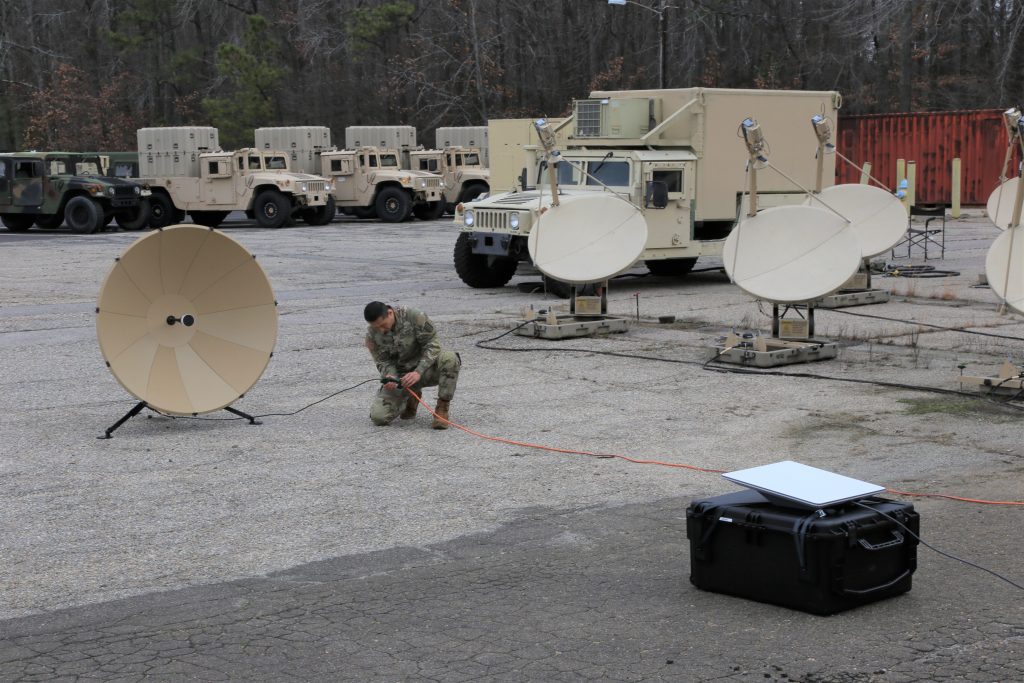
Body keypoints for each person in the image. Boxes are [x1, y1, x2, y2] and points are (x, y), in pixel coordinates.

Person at [363, 301, 461, 429]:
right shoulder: (371, 335)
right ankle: (411, 397)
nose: (381, 330)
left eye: (383, 325)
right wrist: (390, 375)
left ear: (390, 313)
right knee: (379, 417)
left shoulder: (414, 316)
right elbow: (382, 361)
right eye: (376, 327)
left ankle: (442, 408)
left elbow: (433, 345)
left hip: (426, 369)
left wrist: (418, 371)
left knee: (450, 358)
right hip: (401, 378)